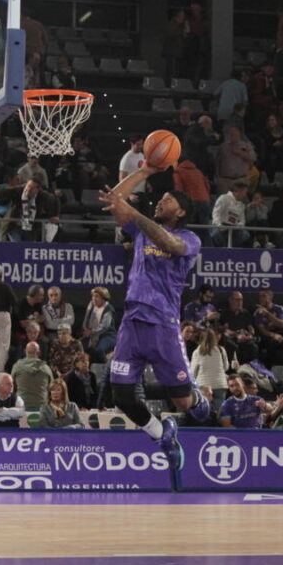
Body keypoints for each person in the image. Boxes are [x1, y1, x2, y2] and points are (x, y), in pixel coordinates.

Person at [98, 161, 213, 471]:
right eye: (160, 198)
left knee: (183, 403)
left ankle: (196, 396)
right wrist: (146, 171)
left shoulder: (190, 238)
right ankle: (162, 434)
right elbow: (114, 199)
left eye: (168, 200)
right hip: (132, 321)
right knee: (121, 395)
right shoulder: (140, 229)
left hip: (163, 324)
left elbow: (168, 242)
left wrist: (137, 215)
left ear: (181, 212)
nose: (161, 201)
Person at [190, 328, 229, 413]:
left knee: (205, 411)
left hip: (203, 386)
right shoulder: (221, 350)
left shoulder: (197, 351)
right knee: (219, 412)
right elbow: (226, 367)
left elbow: (193, 372)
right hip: (220, 385)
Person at [11, 341, 53, 411]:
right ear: (39, 353)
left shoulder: (17, 367)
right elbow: (52, 387)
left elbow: (12, 386)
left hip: (22, 405)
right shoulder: (46, 368)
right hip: (42, 406)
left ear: (25, 351)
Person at [80, 287, 117, 363]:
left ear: (103, 298)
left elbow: (104, 326)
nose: (94, 298)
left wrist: (91, 332)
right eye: (93, 296)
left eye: (96, 296)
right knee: (80, 348)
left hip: (107, 336)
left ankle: (106, 366)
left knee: (99, 350)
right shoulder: (91, 305)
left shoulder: (108, 309)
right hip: (92, 335)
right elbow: (86, 319)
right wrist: (86, 330)